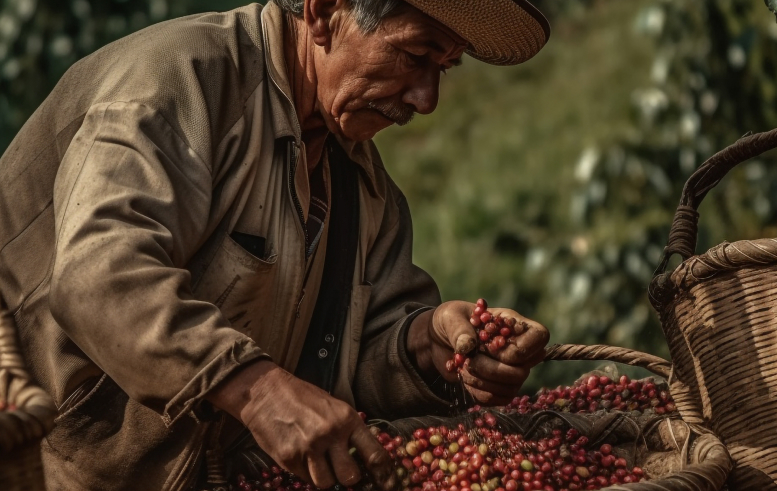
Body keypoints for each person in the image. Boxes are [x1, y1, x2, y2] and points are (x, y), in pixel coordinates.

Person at [0, 0, 552, 489]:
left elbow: (345, 361)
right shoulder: (175, 84)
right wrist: (258, 391)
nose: (427, 99)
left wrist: (426, 346)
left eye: (443, 68)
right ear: (323, 12)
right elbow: (98, 277)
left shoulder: (364, 187)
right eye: (414, 56)